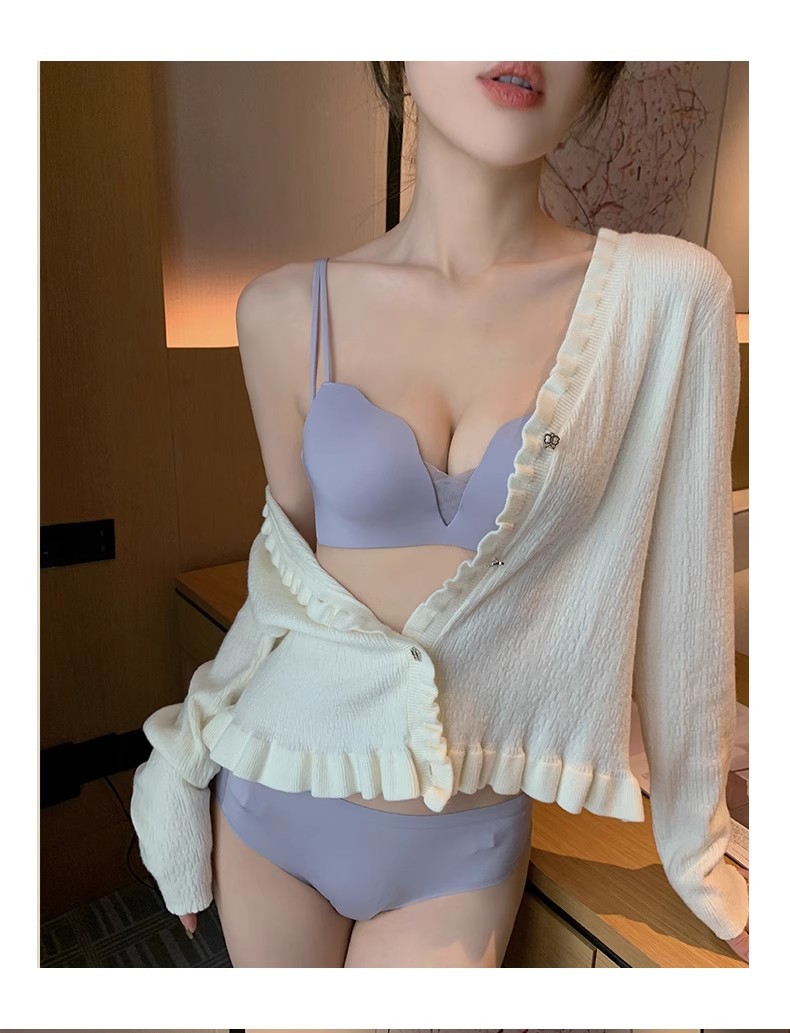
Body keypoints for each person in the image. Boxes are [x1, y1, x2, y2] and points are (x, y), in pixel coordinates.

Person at [130, 61, 749, 967]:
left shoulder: (669, 299)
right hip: (271, 796)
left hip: (462, 840)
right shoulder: (281, 311)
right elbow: (288, 588)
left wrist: (702, 859)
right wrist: (180, 753)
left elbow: (688, 606)